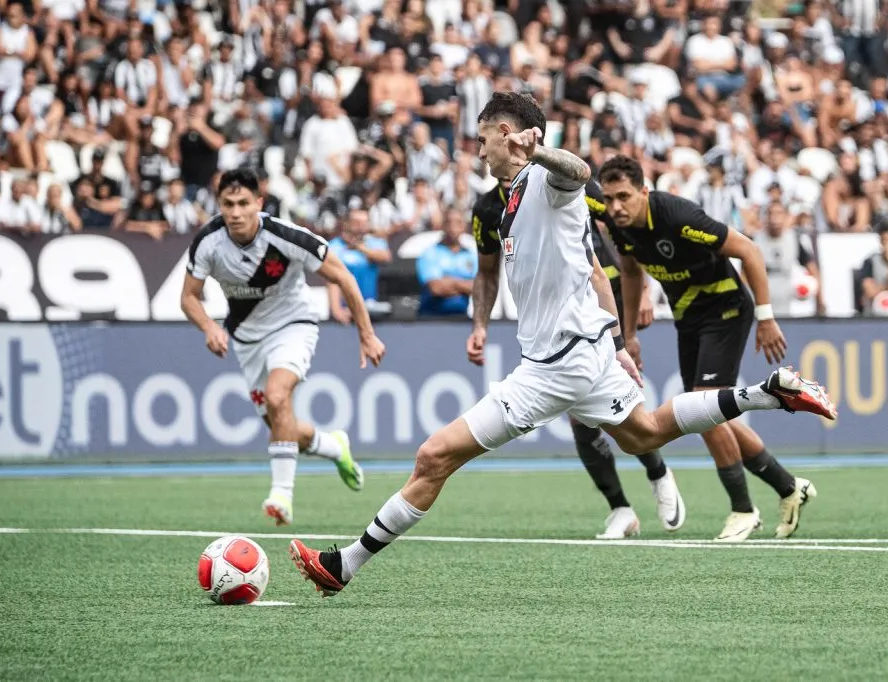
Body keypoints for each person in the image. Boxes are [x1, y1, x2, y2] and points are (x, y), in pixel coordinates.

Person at [289, 93, 836, 596]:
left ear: (508, 134)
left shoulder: (544, 182)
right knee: (644, 434)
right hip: (589, 351)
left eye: (483, 139)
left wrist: (540, 150)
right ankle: (769, 393)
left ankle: (345, 566)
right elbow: (596, 272)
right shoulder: (506, 201)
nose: (478, 151)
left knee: (434, 456)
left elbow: (579, 171)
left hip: (555, 365)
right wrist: (617, 341)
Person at [598, 154, 820, 543]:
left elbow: (748, 249)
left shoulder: (677, 216)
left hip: (727, 307)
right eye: (609, 198)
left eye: (623, 197)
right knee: (705, 413)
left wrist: (766, 318)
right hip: (690, 316)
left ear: (643, 193)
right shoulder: (620, 227)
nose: (615, 206)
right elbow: (632, 274)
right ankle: (788, 487)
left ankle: (742, 510)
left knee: (701, 404)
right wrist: (629, 334)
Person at [470, 171, 682, 540]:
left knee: (621, 409)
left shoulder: (560, 182)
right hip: (559, 315)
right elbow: (487, 273)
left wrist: (641, 289)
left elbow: (621, 222)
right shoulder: (488, 209)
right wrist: (480, 326)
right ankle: (621, 507)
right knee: (582, 417)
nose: (487, 152)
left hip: (604, 296)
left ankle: (657, 472)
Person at [181, 168, 385, 525]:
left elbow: (343, 277)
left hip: (294, 325)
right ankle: (333, 446)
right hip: (246, 339)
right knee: (278, 422)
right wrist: (208, 327)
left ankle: (282, 496)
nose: (236, 212)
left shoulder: (287, 236)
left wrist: (366, 333)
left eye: (244, 203)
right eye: (228, 204)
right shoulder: (208, 241)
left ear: (259, 203)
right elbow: (188, 298)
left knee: (278, 397)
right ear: (219, 205)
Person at [416, 208, 477, 316]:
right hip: (431, 319)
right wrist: (463, 286)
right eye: (449, 222)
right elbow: (436, 288)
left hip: (462, 320)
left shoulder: (471, 256)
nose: (453, 227)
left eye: (458, 222)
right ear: (443, 225)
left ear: (464, 226)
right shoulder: (430, 253)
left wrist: (450, 282)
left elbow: (478, 288)